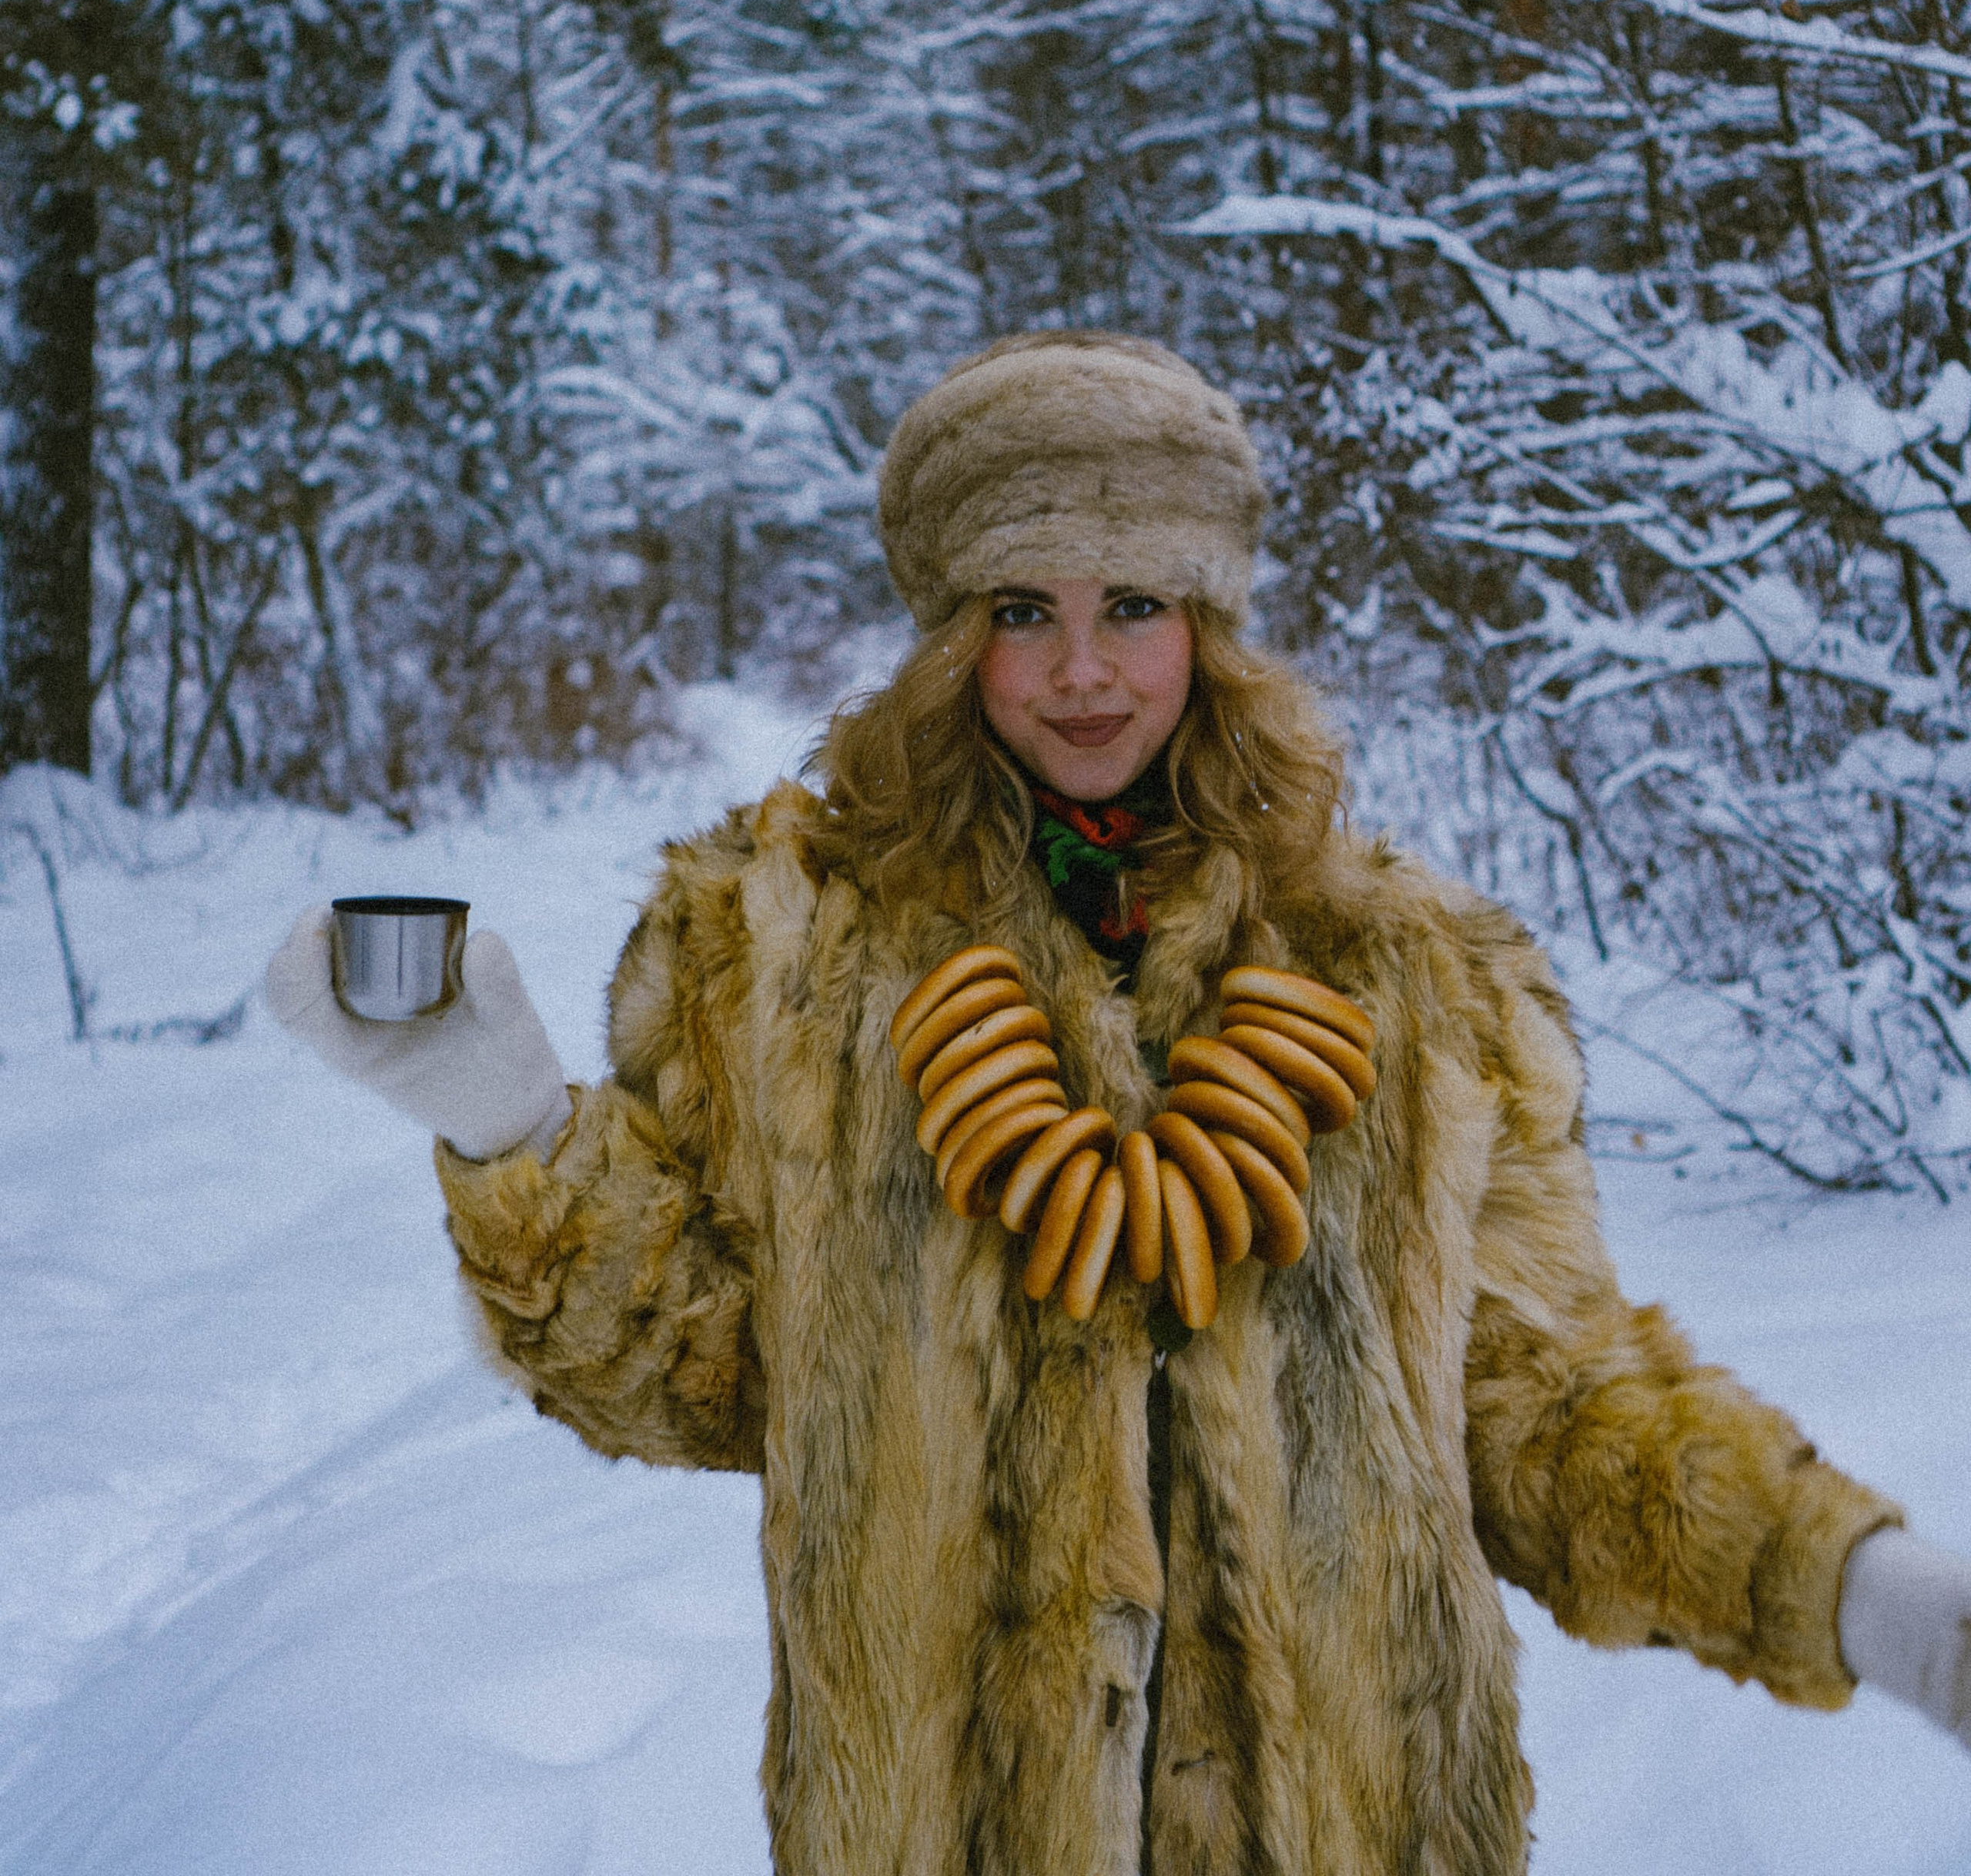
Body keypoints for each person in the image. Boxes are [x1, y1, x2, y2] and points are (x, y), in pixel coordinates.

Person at [269, 331, 1971, 1875]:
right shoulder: (773, 957)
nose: (1081, 672)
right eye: (1022, 610)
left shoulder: (1414, 978)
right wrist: (509, 1128)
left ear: (1208, 626)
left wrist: (1866, 1596)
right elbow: (700, 1375)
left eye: (1132, 607)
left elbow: (1544, 1406)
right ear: (949, 637)